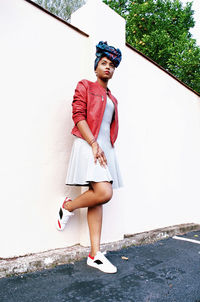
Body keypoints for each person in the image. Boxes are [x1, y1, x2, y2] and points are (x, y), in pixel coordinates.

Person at [56, 41, 123, 274]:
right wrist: (93, 143)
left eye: (112, 65)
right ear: (96, 67)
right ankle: (68, 206)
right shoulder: (85, 85)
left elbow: (108, 127)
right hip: (88, 144)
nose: (108, 68)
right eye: (104, 63)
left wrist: (105, 146)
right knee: (104, 192)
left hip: (105, 148)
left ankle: (94, 254)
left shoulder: (113, 98)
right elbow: (78, 115)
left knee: (98, 196)